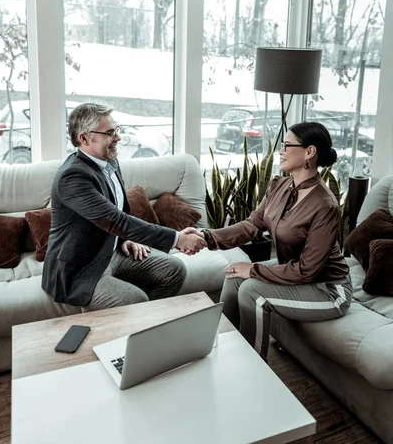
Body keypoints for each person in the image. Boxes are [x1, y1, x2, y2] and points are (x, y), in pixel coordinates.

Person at [202, 122, 352, 361]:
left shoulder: (325, 205)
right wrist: (205, 237)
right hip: (299, 275)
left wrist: (253, 269)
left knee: (252, 290)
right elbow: (251, 226)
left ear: (309, 152)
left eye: (286, 145)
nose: (280, 151)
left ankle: (251, 368)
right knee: (234, 275)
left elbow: (307, 270)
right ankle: (216, 350)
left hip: (328, 288)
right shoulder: (279, 186)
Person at [42, 103, 206, 310]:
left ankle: (145, 327)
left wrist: (125, 239)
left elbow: (116, 213)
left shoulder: (109, 162)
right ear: (83, 138)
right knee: (135, 300)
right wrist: (178, 238)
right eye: (109, 133)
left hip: (111, 252)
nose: (118, 138)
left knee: (174, 269)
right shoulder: (73, 177)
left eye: (116, 130)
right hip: (80, 269)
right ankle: (136, 327)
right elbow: (115, 220)